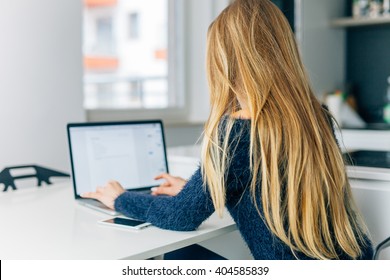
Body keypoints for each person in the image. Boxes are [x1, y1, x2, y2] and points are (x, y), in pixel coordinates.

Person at [82, 0, 373, 260]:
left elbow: (179, 216)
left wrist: (119, 197)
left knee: (177, 256)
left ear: (225, 64)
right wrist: (193, 190)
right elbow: (267, 194)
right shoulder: (315, 117)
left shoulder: (238, 131)